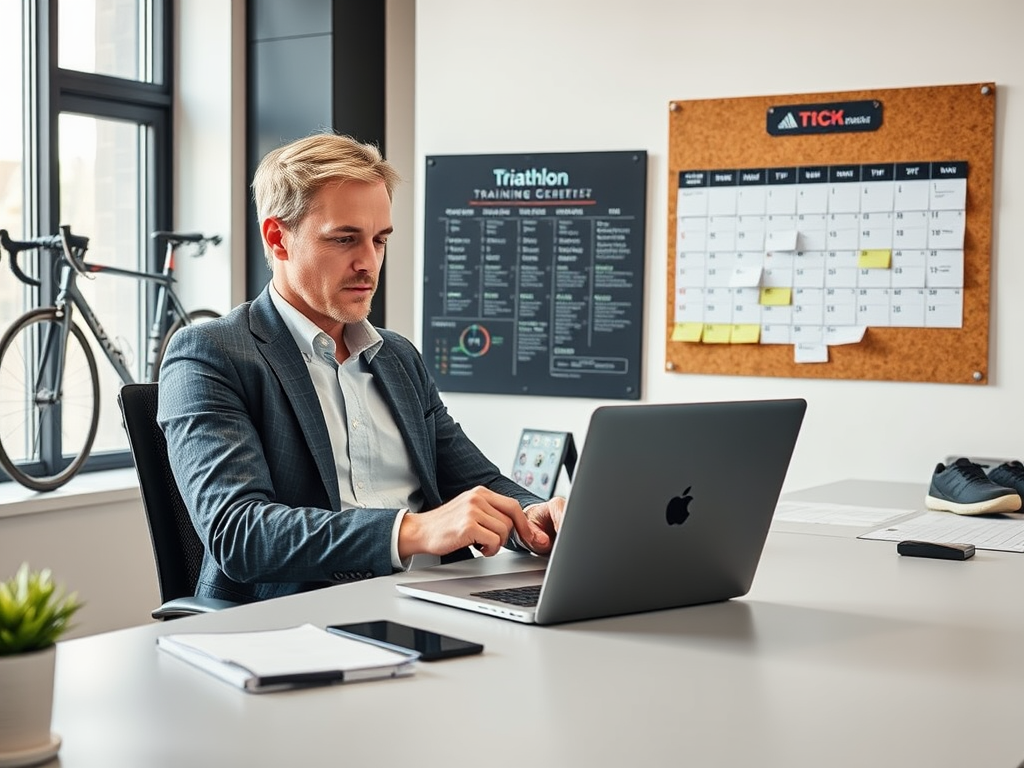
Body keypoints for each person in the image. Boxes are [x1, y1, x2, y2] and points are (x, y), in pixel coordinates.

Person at [157, 132, 565, 604]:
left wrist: (533, 515)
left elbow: (475, 481)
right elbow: (240, 533)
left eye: (379, 240)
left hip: (433, 599)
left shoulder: (397, 358)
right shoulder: (210, 353)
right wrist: (412, 531)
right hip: (296, 617)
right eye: (345, 239)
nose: (368, 263)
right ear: (278, 238)